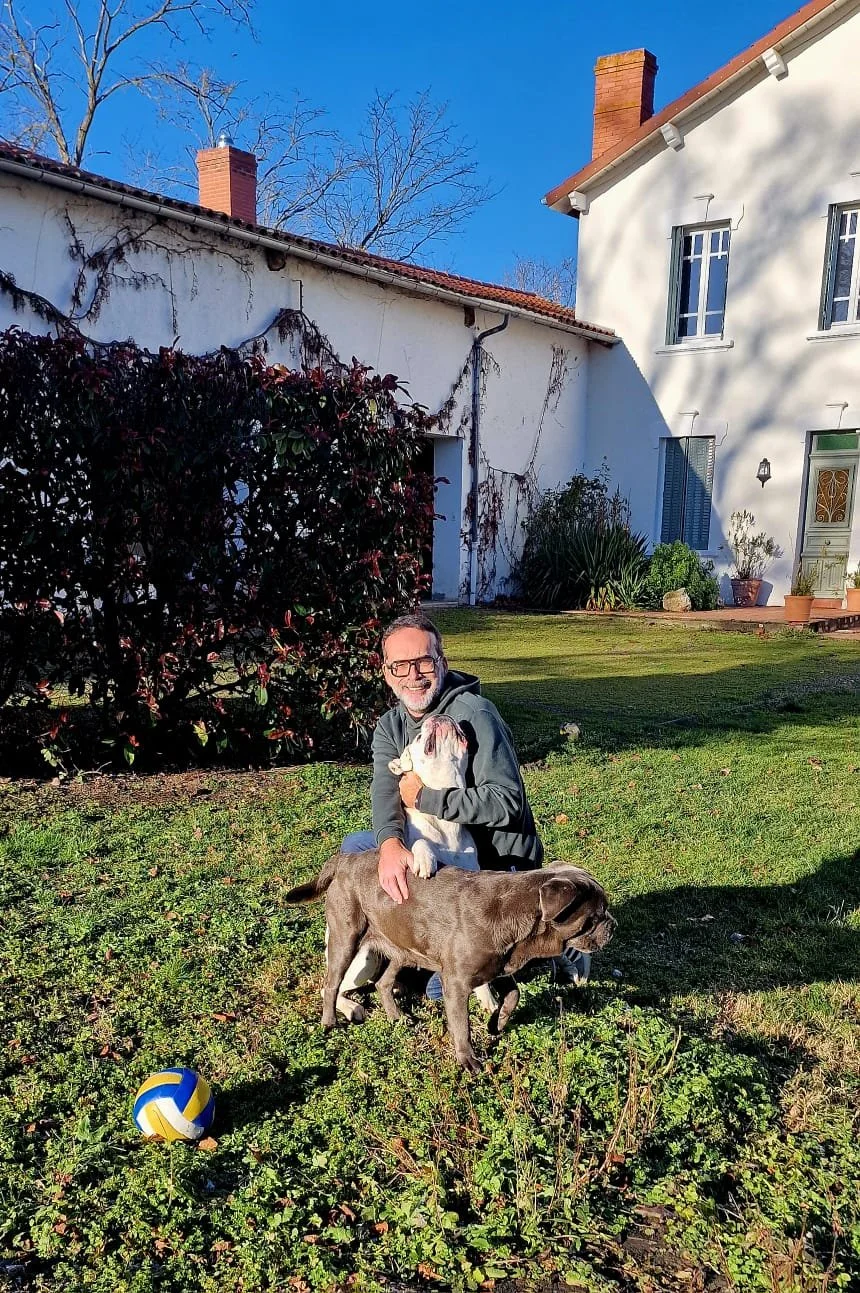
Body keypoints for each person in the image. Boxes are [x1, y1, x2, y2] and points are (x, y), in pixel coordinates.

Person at [337, 611, 588, 1009]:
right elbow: (386, 793)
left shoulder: (476, 715)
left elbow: (507, 801)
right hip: (439, 851)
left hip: (493, 863)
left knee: (443, 987)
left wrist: (424, 799)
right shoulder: (390, 727)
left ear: (442, 663)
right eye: (399, 666)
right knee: (357, 849)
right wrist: (388, 844)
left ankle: (558, 942)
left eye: (423, 662)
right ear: (386, 673)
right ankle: (389, 941)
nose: (413, 676)